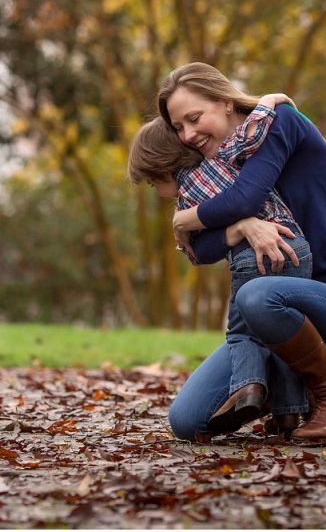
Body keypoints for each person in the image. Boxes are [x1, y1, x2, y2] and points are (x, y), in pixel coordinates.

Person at [159, 62, 326, 443]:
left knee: (256, 295)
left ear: (226, 102)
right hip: (272, 318)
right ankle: (285, 391)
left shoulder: (281, 124)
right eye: (179, 127)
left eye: (194, 118)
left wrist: (183, 219)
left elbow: (247, 197)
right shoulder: (225, 164)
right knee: (187, 421)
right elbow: (206, 250)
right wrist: (241, 226)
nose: (188, 134)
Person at [126, 93, 313, 440]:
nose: (156, 191)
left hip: (251, 259)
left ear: (164, 168)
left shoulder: (186, 202)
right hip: (295, 247)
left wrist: (183, 228)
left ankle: (248, 390)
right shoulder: (229, 158)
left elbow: (197, 252)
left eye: (154, 184)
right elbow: (253, 132)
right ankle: (288, 415)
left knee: (242, 333)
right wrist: (269, 101)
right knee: (285, 337)